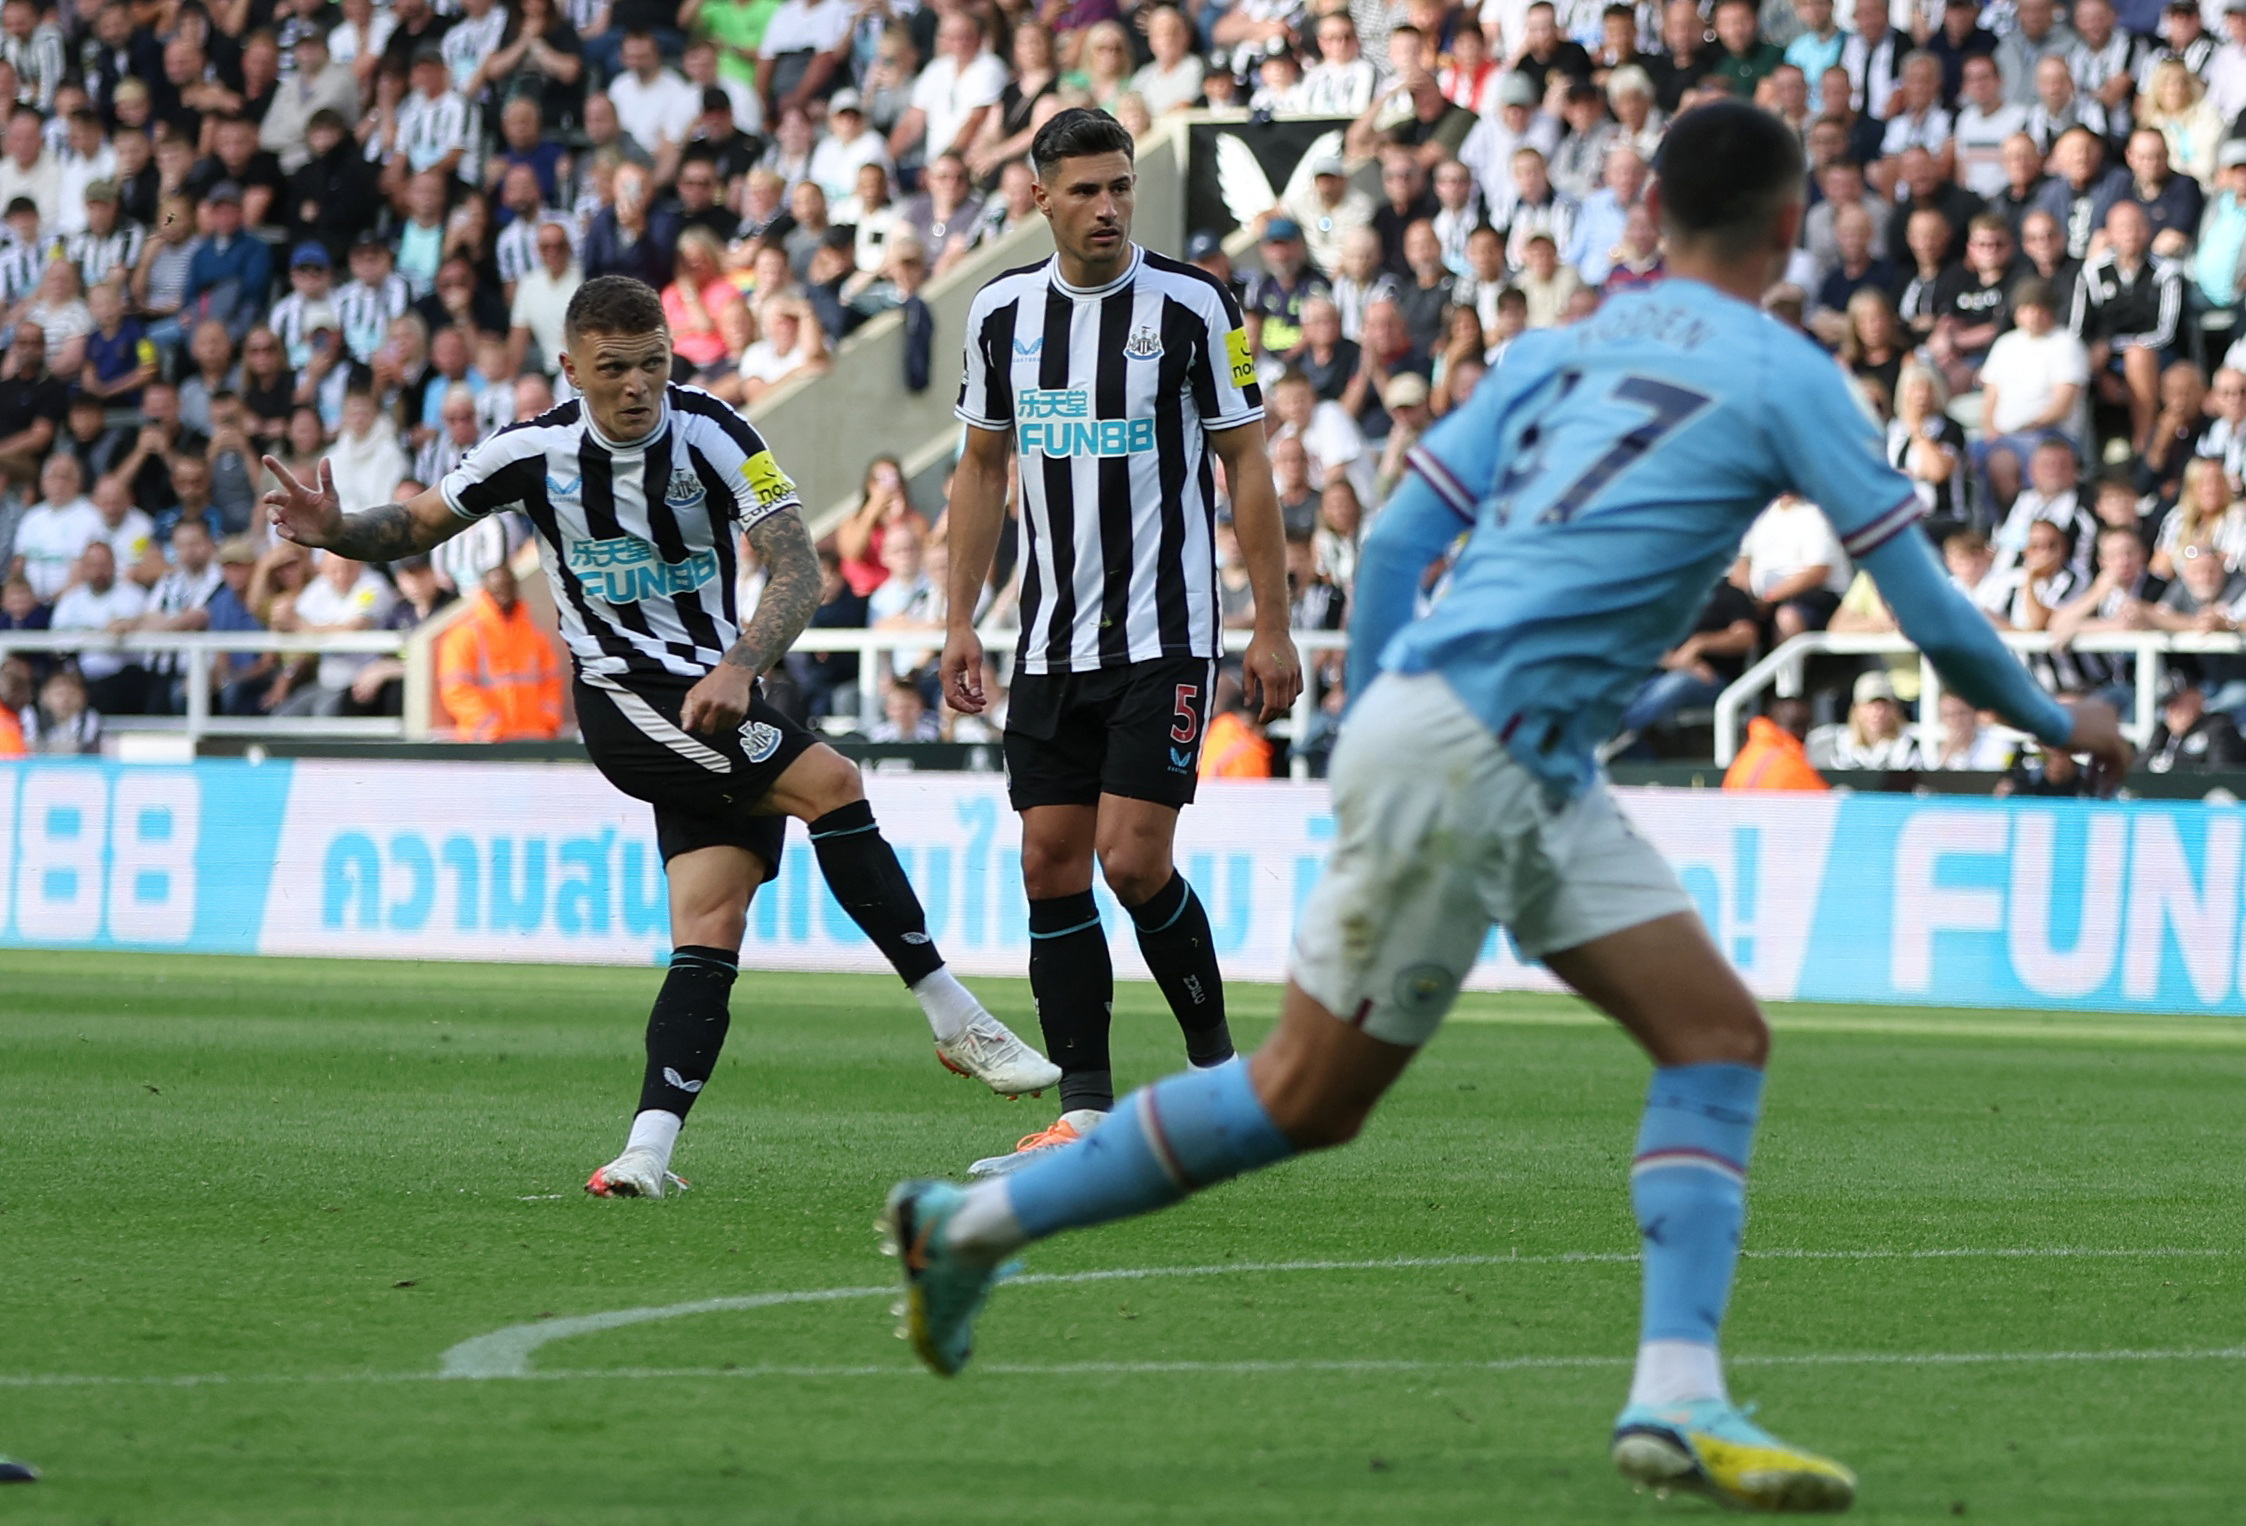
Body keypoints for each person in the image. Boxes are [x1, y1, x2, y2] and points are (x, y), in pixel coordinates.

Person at [881, 102, 2131, 1512]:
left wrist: (1406, 709)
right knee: (1305, 1094)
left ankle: (1676, 1396)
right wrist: (2055, 715)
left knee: (1712, 1034)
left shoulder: (1568, 345)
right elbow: (1930, 617)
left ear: (1649, 215)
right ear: (1792, 229)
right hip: (1483, 751)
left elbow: (1409, 527)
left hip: (1493, 750)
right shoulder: (1788, 376)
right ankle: (966, 1224)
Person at [261, 274, 1057, 1198]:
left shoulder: (716, 430)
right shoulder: (532, 451)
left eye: (653, 364)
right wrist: (337, 531)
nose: (637, 385)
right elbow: (417, 523)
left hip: (720, 692)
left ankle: (646, 1150)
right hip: (630, 702)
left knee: (711, 927)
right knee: (833, 782)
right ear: (570, 369)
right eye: (613, 370)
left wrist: (739, 666)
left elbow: (799, 570)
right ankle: (953, 1015)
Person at [940, 109, 1302, 1175]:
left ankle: (1216, 1076)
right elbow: (978, 470)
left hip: (1165, 634)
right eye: (1084, 189)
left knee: (1131, 858)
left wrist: (1270, 625)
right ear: (1039, 197)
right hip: (1047, 642)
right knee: (1048, 863)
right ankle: (1086, 1113)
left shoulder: (1193, 304)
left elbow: (1246, 464)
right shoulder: (1000, 313)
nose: (1106, 207)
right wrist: (962, 614)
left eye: (1119, 187)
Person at [436, 562, 564, 740]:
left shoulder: (534, 637)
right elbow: (456, 690)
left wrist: (547, 724)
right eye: (497, 589)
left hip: (532, 740)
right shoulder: (464, 636)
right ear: (486, 590)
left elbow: (551, 683)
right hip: (483, 743)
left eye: (508, 587)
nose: (503, 594)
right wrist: (490, 728)